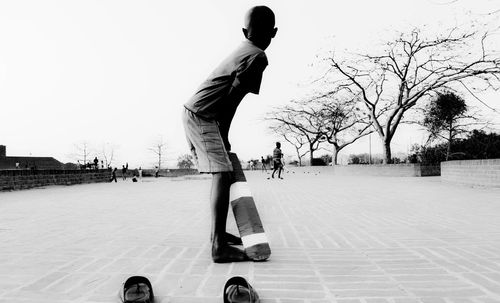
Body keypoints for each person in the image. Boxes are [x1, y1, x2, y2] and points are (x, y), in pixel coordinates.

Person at [182, 6, 277, 263]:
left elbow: (229, 97)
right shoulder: (257, 57)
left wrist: (223, 135)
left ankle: (220, 234)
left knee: (221, 172)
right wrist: (223, 133)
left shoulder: (244, 49)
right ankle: (218, 246)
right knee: (222, 173)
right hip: (204, 115)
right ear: (274, 34)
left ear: (245, 32)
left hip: (197, 112)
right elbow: (232, 100)